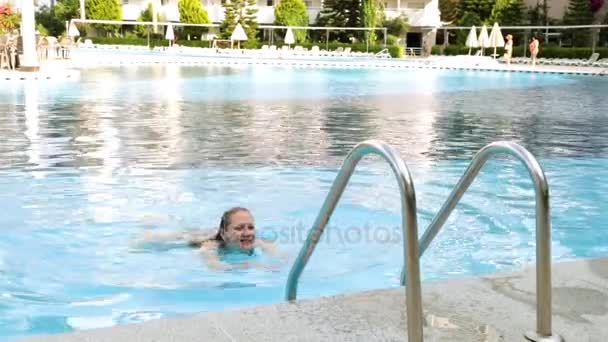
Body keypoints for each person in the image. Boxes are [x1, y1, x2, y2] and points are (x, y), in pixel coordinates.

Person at [134, 207, 283, 271]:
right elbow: (215, 267)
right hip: (196, 238)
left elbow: (280, 258)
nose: (247, 232)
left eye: (250, 227)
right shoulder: (211, 246)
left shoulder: (256, 242)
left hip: (214, 231)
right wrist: (250, 265)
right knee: (172, 236)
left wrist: (274, 262)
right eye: (239, 228)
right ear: (224, 234)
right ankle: (154, 220)